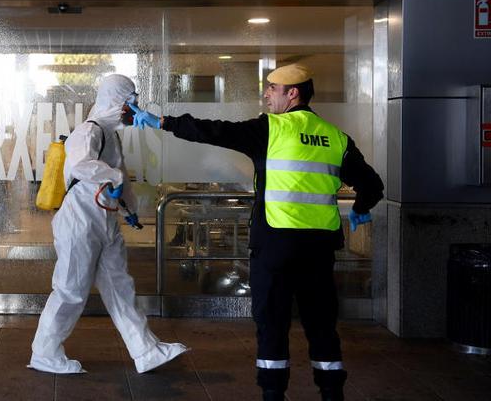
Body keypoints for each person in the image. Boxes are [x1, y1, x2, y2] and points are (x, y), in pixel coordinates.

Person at [129, 64, 384, 401]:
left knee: (272, 323)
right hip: (320, 250)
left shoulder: (272, 129)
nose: (265, 94)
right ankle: (331, 393)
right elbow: (373, 185)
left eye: (272, 88)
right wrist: (362, 209)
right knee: (322, 325)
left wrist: (163, 122)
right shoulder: (335, 137)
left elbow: (215, 131)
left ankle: (273, 394)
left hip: (276, 245)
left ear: (292, 93)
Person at [29, 74, 188, 375]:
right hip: (79, 221)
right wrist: (113, 178)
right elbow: (80, 165)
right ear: (117, 100)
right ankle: (44, 352)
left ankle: (146, 351)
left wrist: (130, 209)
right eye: (131, 101)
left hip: (104, 220)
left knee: (120, 288)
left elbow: (121, 175)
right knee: (71, 289)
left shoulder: (111, 136)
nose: (134, 107)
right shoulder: (88, 131)